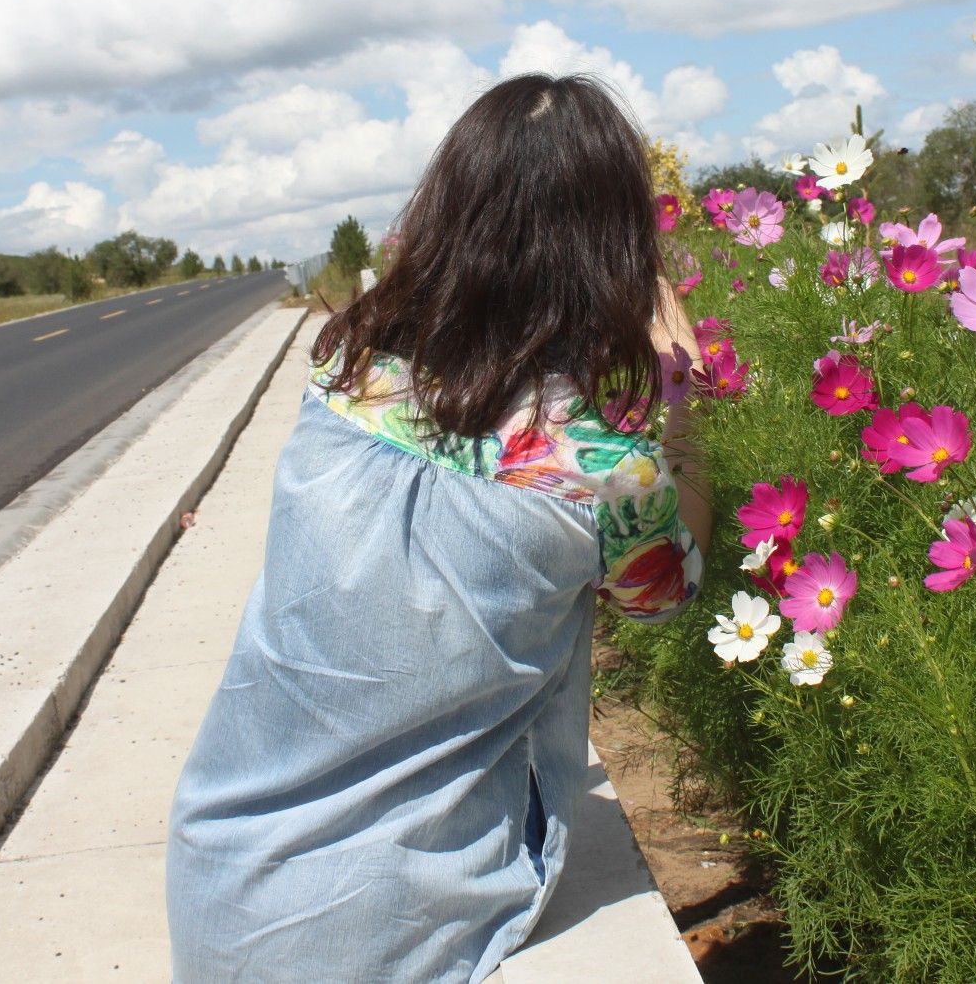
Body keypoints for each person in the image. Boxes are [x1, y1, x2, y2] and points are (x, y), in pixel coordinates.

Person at [166, 73, 711, 982]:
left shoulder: (345, 371)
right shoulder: (601, 468)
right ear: (614, 246)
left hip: (218, 884)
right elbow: (669, 594)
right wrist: (679, 397)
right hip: (385, 929)